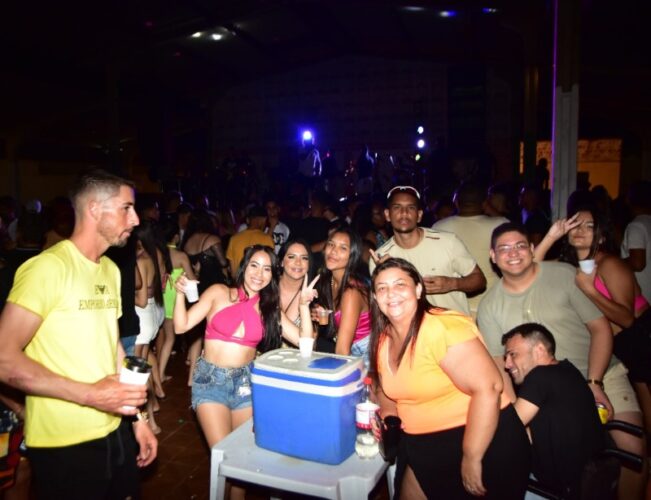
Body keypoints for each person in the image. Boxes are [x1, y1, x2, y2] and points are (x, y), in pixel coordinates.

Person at [0, 169, 157, 499]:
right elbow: (3, 358)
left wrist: (138, 419)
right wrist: (90, 395)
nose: (135, 219)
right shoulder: (48, 268)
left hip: (114, 428)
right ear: (94, 209)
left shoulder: (110, 269)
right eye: (126, 208)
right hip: (64, 442)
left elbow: (113, 348)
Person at [477, 222, 646, 500]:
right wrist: (519, 420)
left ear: (532, 249)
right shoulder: (489, 306)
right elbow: (500, 367)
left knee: (632, 450)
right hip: (545, 393)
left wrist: (594, 382)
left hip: (600, 372)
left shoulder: (564, 275)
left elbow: (600, 328)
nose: (513, 253)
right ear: (493, 256)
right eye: (504, 248)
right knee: (562, 465)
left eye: (520, 246)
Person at [369, 258, 530, 499]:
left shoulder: (441, 327)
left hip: (479, 440)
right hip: (421, 444)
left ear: (418, 289)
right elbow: (386, 389)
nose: (391, 293)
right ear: (375, 297)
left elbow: (488, 388)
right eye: (382, 288)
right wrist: (388, 417)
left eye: (400, 284)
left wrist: (472, 456)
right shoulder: (384, 339)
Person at [173, 245, 317, 448]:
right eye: (254, 266)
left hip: (245, 383)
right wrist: (180, 294)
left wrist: (303, 306)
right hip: (211, 380)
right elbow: (181, 326)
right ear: (244, 267)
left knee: (241, 452)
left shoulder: (269, 309)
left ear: (272, 275)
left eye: (266, 269)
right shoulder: (218, 292)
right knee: (223, 452)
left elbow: (305, 343)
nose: (259, 274)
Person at [502, 323, 606, 499]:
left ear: (539, 350)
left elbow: (508, 430)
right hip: (588, 482)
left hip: (557, 489)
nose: (507, 364)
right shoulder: (569, 371)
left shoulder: (539, 376)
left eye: (513, 354)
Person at [369, 185, 486, 316]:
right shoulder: (380, 258)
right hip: (413, 328)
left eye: (411, 207)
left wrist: (452, 283)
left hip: (455, 325)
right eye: (397, 207)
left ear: (419, 215)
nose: (404, 213)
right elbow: (381, 305)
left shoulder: (447, 242)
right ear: (387, 215)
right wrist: (385, 272)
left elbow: (480, 281)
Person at [433, 181, 509, 317]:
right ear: (485, 203)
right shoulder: (500, 225)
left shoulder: (439, 227)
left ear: (456, 203)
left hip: (455, 307)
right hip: (494, 303)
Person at [313, 225, 371, 361]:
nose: (333, 251)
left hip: (365, 354)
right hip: (346, 347)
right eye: (331, 244)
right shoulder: (329, 280)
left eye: (343, 248)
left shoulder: (352, 292)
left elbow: (342, 352)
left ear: (352, 255)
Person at [157, 219, 196, 383]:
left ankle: (158, 375)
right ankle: (160, 375)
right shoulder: (180, 256)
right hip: (174, 301)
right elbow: (191, 279)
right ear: (175, 237)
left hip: (160, 299)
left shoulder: (158, 253)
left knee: (165, 338)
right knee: (172, 339)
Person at [621, 181, 651, 302]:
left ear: (628, 200)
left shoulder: (637, 226)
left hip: (643, 296)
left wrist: (612, 263)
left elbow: (638, 263)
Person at [225, 206, 274, 276]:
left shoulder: (234, 238)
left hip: (239, 281)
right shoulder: (267, 239)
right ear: (263, 220)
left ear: (248, 220)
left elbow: (233, 271)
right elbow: (270, 266)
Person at [277, 238, 313, 330]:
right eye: (291, 257)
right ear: (281, 262)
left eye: (304, 258)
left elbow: (313, 336)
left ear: (309, 265)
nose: (298, 262)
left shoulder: (313, 296)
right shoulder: (266, 287)